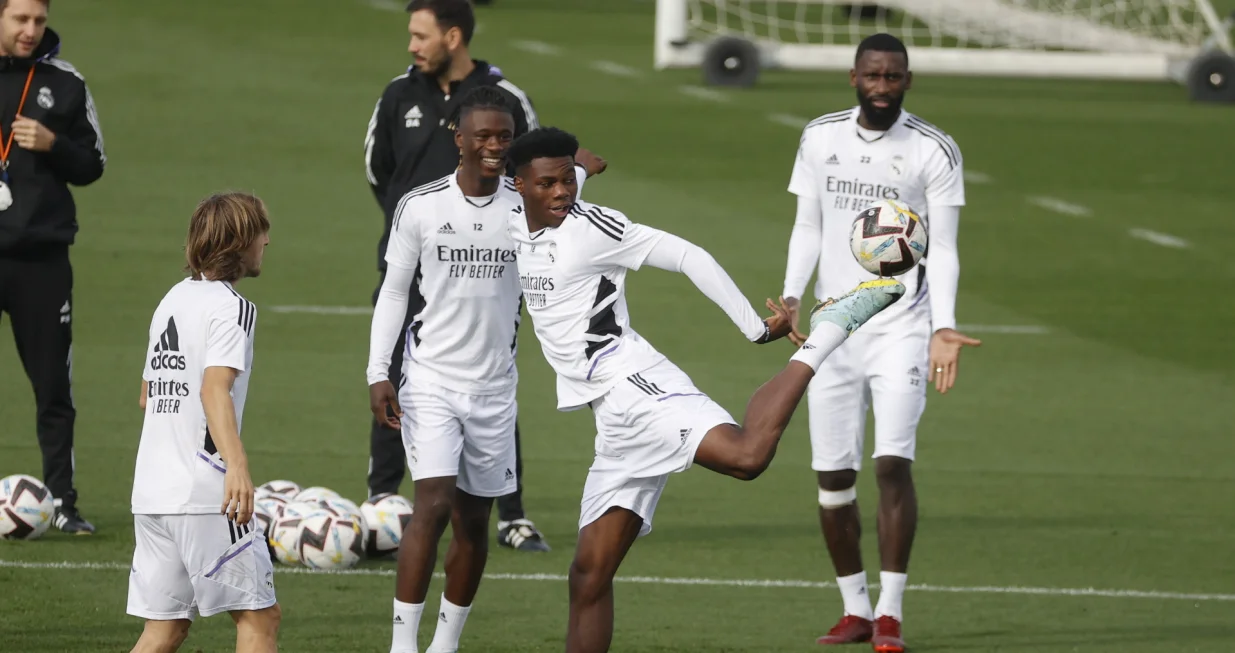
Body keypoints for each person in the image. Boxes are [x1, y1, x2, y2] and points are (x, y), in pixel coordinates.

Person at [505, 126, 908, 653]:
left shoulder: (594, 228)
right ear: (518, 186)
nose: (562, 192)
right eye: (548, 184)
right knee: (588, 575)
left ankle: (830, 329)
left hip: (635, 383)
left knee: (747, 456)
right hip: (610, 417)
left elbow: (689, 255)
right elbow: (573, 169)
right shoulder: (514, 219)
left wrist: (751, 325)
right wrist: (581, 163)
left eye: (566, 181)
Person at [366, 87, 603, 653]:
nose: (495, 146)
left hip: (495, 390)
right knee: (434, 505)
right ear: (459, 140)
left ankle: (444, 645)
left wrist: (582, 171)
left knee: (474, 524)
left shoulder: (526, 207)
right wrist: (380, 371)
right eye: (484, 137)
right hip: (430, 381)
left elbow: (565, 188)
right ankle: (403, 647)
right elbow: (394, 293)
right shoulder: (420, 207)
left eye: (505, 137)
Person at [780, 33, 982, 653]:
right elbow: (807, 224)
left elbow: (943, 248)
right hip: (833, 326)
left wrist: (943, 326)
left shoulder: (932, 148)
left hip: (901, 325)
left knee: (892, 464)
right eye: (873, 74)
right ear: (853, 77)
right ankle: (855, 610)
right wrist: (790, 297)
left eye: (894, 76)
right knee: (832, 480)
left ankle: (890, 615)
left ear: (908, 82)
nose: (883, 85)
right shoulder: (820, 137)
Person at [362, 0, 549, 552]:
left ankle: (510, 514)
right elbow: (378, 170)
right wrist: (421, 225)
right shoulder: (398, 95)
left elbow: (536, 171)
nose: (412, 46)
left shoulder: (505, 96)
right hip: (416, 259)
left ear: (452, 36)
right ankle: (382, 500)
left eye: (421, 36)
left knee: (489, 370)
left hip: (490, 266)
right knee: (393, 375)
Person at [126, 193, 280, 653]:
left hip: (152, 492)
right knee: (259, 619)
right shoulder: (232, 307)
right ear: (240, 242)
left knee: (164, 630)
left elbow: (147, 395)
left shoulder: (170, 300)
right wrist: (236, 465)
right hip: (203, 493)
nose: (267, 242)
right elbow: (214, 389)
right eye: (260, 232)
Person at [0, 0, 105, 534]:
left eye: (38, 20)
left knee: (52, 387)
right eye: (20, 20)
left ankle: (63, 502)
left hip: (41, 259)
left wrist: (53, 144)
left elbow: (94, 163)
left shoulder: (64, 83)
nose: (31, 31)